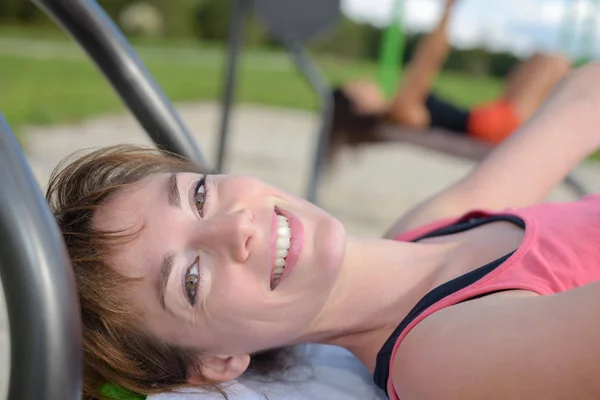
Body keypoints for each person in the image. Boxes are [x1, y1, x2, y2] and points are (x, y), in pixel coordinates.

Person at [47, 61, 600, 400]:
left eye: (198, 196)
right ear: (216, 361)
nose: (235, 227)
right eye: (191, 278)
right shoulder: (446, 358)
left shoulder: (421, 233)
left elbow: (580, 100)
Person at [328, 0, 572, 164]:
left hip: (490, 118)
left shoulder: (398, 113)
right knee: (554, 63)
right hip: (498, 127)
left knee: (542, 59)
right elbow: (429, 59)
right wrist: (448, 9)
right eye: (356, 87)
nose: (363, 81)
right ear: (358, 107)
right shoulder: (402, 110)